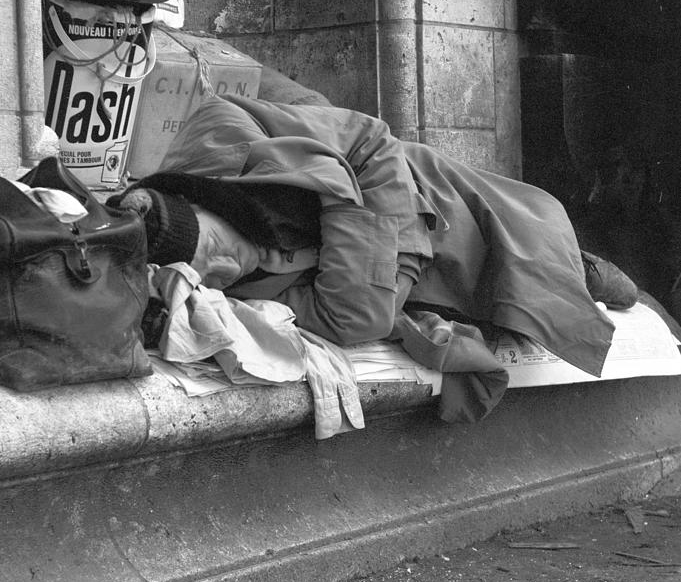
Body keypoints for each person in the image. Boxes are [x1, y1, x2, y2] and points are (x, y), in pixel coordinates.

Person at [111, 95, 638, 421]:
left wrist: (336, 195)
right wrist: (371, 270)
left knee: (566, 276)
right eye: (212, 277)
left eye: (218, 249)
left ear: (211, 199)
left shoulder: (225, 127)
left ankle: (579, 266)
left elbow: (370, 143)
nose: (227, 274)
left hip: (452, 210)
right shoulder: (224, 282)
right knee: (498, 310)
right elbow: (355, 317)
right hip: (404, 266)